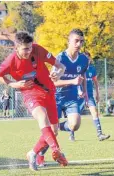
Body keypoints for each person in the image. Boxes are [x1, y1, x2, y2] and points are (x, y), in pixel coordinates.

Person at [0, 31, 68, 171]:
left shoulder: (38, 49)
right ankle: (56, 149)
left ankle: (33, 153)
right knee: (41, 116)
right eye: (25, 49)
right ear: (16, 48)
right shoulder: (10, 60)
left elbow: (61, 66)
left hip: (49, 91)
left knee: (54, 130)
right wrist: (13, 84)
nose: (29, 51)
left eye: (30, 47)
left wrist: (57, 74)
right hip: (30, 93)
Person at [35, 29, 89, 167]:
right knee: (53, 131)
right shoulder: (60, 58)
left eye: (81, 41)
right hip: (56, 96)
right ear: (69, 41)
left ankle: (56, 127)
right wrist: (72, 82)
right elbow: (52, 82)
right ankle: (40, 155)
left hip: (71, 97)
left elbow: (82, 77)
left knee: (75, 124)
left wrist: (85, 93)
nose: (79, 44)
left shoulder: (84, 59)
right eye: (76, 40)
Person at [69, 51, 110, 141]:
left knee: (95, 112)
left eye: (88, 58)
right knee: (75, 116)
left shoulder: (92, 69)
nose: (86, 60)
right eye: (84, 58)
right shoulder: (77, 68)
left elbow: (95, 82)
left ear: (90, 59)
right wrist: (79, 91)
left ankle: (99, 134)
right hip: (79, 96)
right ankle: (71, 134)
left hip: (90, 95)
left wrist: (97, 94)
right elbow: (73, 81)